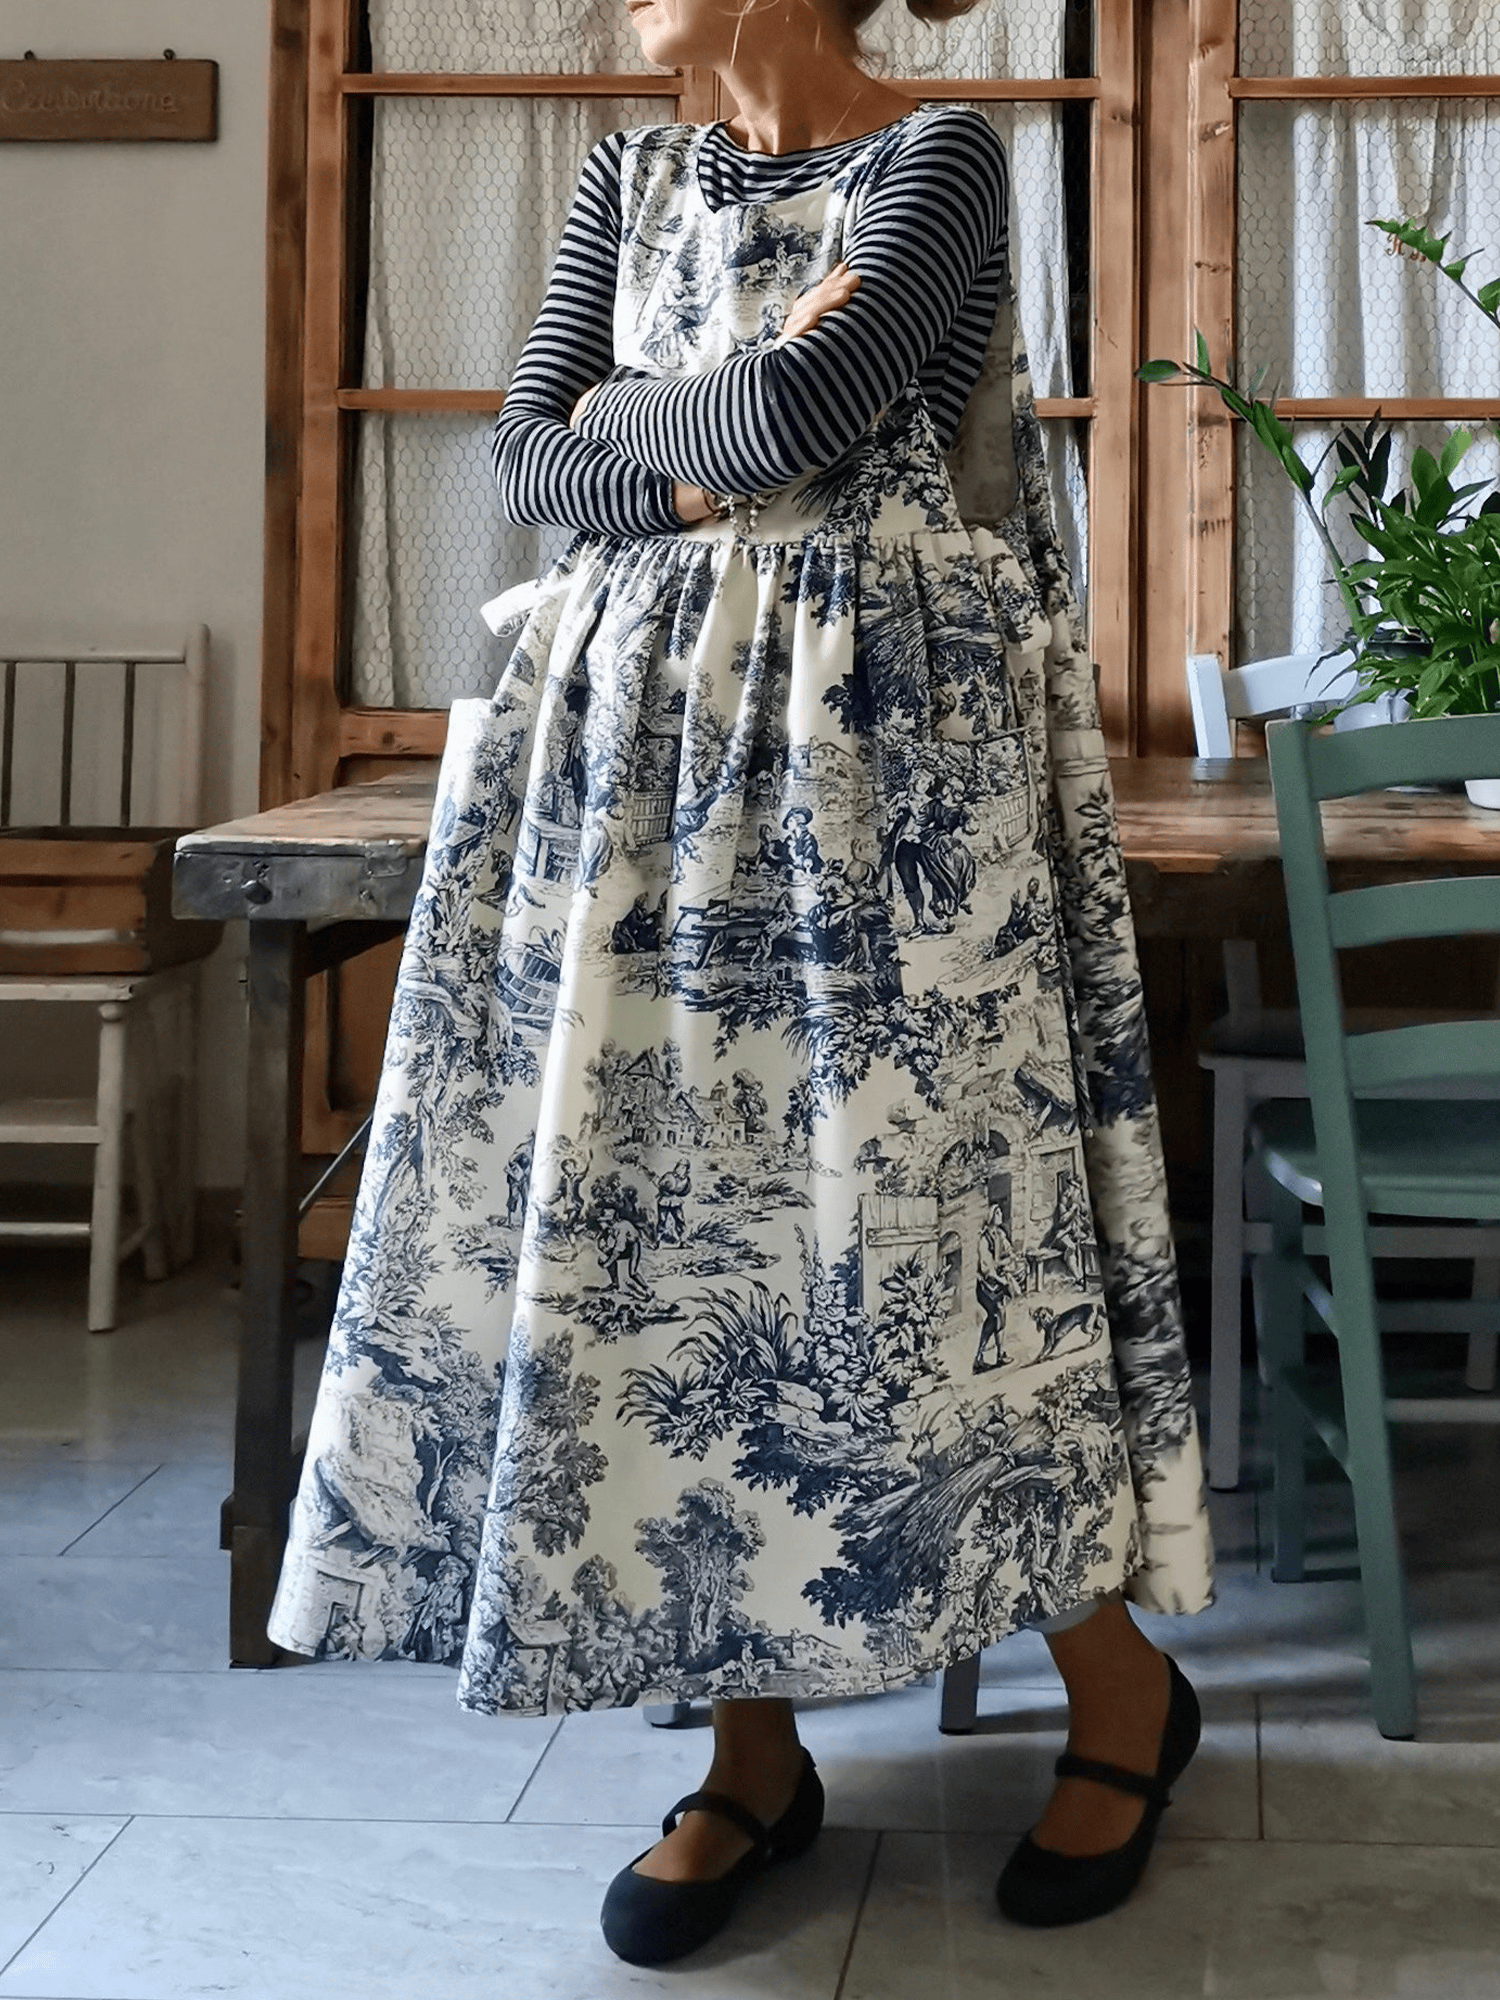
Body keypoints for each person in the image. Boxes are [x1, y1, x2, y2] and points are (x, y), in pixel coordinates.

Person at [268, 0, 1214, 1967]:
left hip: (886, 785)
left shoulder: (937, 160)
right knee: (687, 1254)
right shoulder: (627, 179)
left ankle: (1123, 1690)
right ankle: (752, 1754)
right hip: (639, 783)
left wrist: (657, 424)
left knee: (938, 1237)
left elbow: (806, 419)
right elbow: (529, 453)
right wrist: (695, 445)